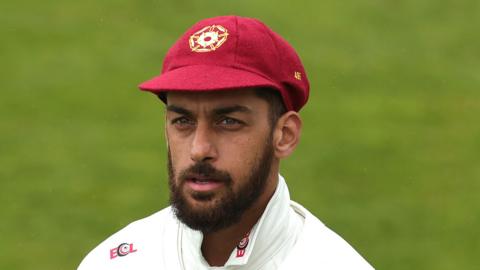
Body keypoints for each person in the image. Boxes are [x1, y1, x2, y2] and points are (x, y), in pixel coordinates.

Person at [78, 15, 374, 270]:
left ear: (284, 135)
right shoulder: (115, 262)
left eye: (228, 122)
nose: (199, 150)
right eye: (183, 121)